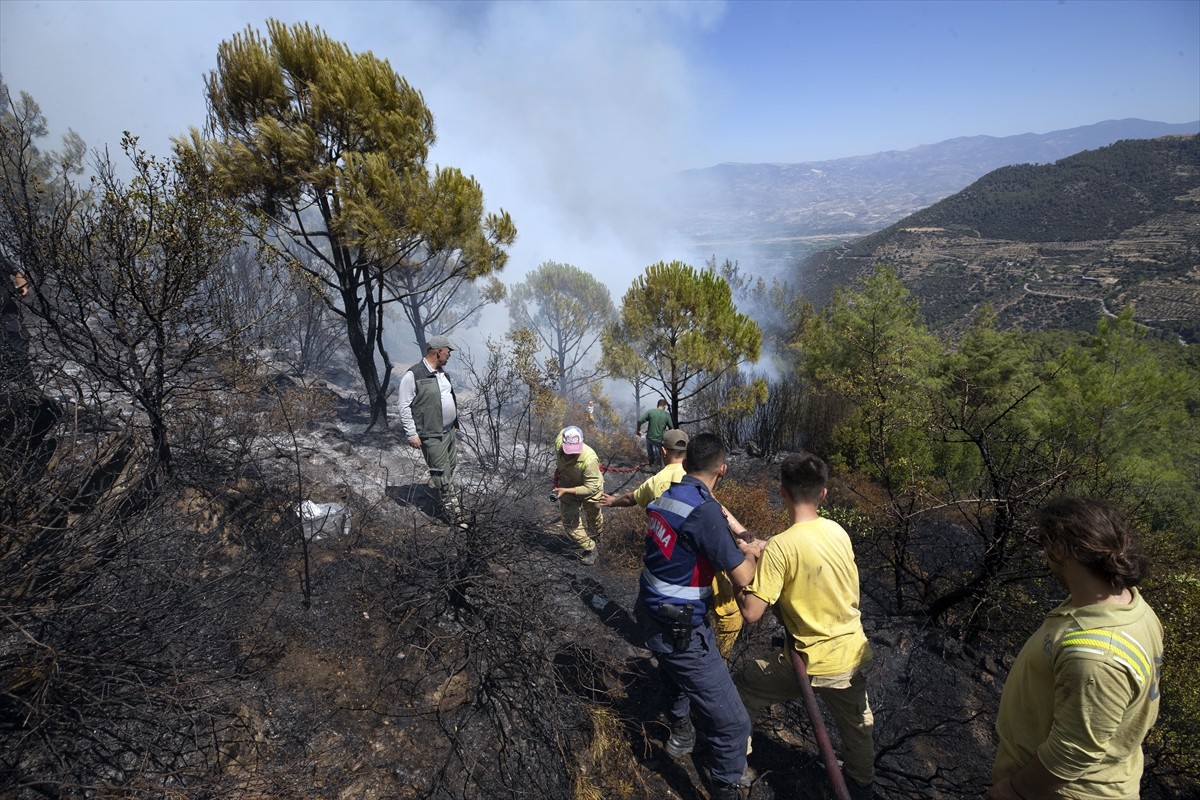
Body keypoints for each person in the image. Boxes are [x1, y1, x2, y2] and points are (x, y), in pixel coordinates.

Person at [987, 497, 1163, 800]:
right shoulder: (1132, 606)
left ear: (1059, 550)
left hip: (1059, 792)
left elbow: (1074, 752)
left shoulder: (1096, 655)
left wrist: (1013, 790)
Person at [734, 453, 876, 800]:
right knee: (858, 728)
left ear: (782, 492)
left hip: (811, 663)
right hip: (853, 655)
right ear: (823, 494)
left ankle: (734, 764)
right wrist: (767, 549)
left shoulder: (783, 546)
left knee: (744, 685)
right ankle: (861, 783)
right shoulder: (837, 531)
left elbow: (752, 612)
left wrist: (743, 565)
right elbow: (808, 555)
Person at [635, 432, 762, 800]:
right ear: (722, 469)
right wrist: (751, 551)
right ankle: (723, 789)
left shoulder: (668, 496)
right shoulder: (704, 511)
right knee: (734, 724)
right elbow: (743, 577)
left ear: (685, 463)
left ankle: (681, 731)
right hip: (680, 630)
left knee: (673, 673)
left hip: (650, 614)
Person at [397, 335, 462, 523]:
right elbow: (403, 405)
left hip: (448, 432)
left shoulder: (443, 374)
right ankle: (455, 515)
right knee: (441, 474)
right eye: (448, 352)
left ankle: (444, 501)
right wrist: (412, 434)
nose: (449, 356)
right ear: (438, 351)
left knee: (450, 468)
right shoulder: (414, 375)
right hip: (431, 434)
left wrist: (453, 425)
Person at [552, 425, 604, 565]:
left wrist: (566, 491)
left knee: (593, 515)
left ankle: (597, 536)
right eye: (568, 450)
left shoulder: (590, 460)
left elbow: (591, 488)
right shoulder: (559, 442)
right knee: (569, 523)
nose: (571, 454)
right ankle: (591, 547)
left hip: (590, 489)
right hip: (567, 483)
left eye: (574, 451)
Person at [599, 428, 688, 509]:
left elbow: (630, 499)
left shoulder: (654, 481)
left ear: (663, 451)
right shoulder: (697, 475)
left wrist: (613, 501)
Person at [636, 398, 671, 468]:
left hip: (650, 438)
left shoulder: (650, 412)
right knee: (661, 453)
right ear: (664, 406)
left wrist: (638, 431)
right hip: (659, 440)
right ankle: (662, 467)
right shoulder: (666, 415)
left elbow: (639, 421)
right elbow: (671, 428)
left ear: (657, 405)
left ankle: (651, 462)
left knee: (649, 445)